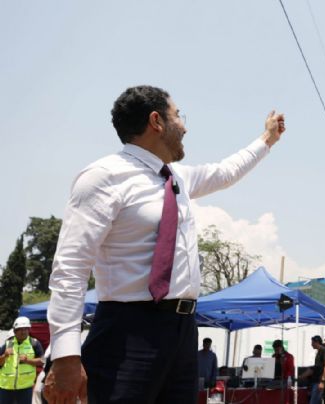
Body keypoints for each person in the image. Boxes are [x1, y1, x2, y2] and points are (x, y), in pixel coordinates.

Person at [44, 85, 286, 404]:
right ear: (156, 121)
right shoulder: (103, 177)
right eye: (178, 115)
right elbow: (70, 269)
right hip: (127, 332)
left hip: (183, 331)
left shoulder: (177, 178)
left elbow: (226, 172)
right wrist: (65, 356)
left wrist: (266, 140)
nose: (184, 126)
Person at [0, 317, 44, 404]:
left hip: (25, 388)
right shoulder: (7, 343)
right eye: (20, 329)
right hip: (6, 387)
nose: (23, 332)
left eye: (26, 329)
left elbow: (42, 361)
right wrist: (5, 356)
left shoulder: (34, 343)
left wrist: (28, 361)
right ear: (15, 331)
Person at [300, 336, 325, 404]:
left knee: (314, 402)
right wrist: (302, 376)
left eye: (312, 342)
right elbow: (316, 368)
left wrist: (322, 381)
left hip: (319, 382)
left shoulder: (323, 350)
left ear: (317, 342)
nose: (311, 344)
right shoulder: (319, 352)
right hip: (316, 381)